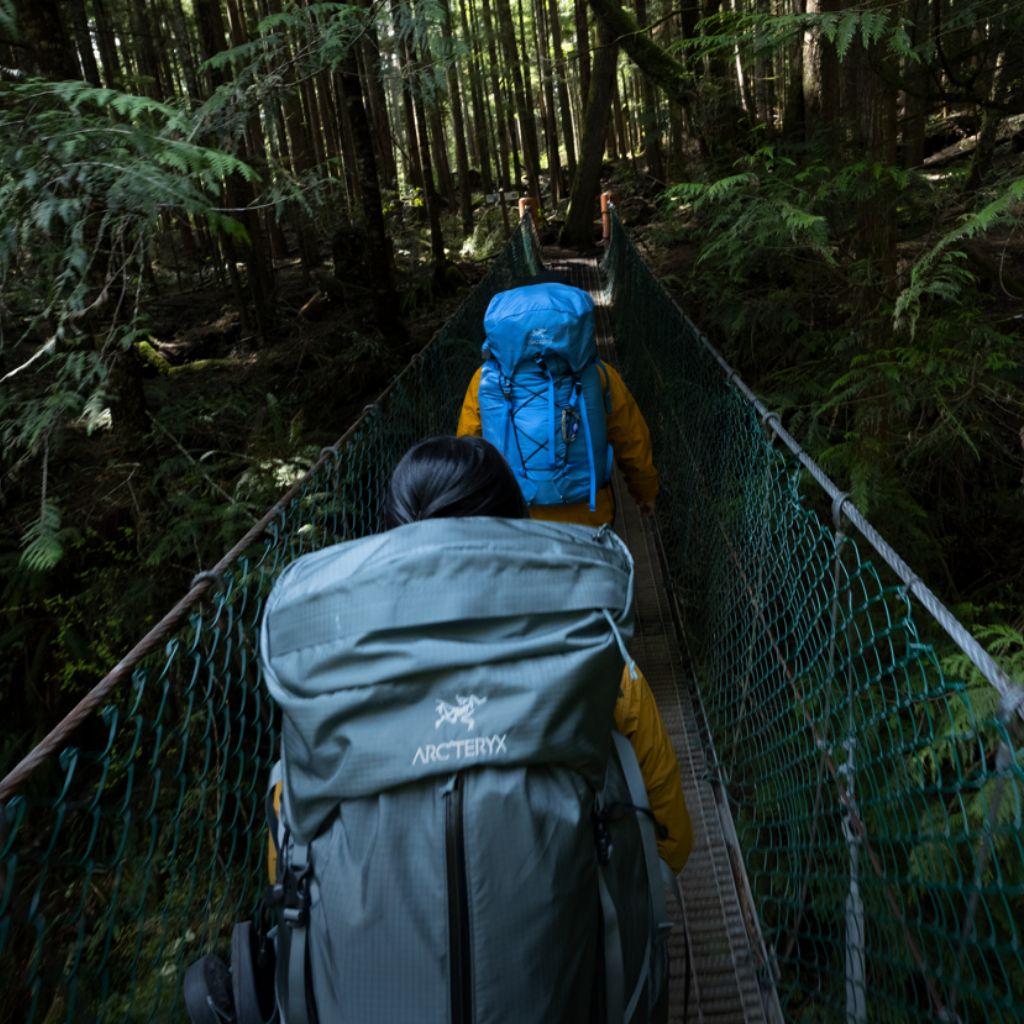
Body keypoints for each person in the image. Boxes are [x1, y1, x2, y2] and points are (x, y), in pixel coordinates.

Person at [382, 435, 691, 873]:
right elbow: (672, 838)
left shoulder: (332, 683)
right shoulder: (594, 656)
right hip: (571, 925)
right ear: (517, 525)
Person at [456, 281, 659, 529]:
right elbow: (633, 440)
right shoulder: (600, 376)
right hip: (588, 520)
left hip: (511, 520)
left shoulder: (484, 381)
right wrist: (645, 492)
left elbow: (467, 445)